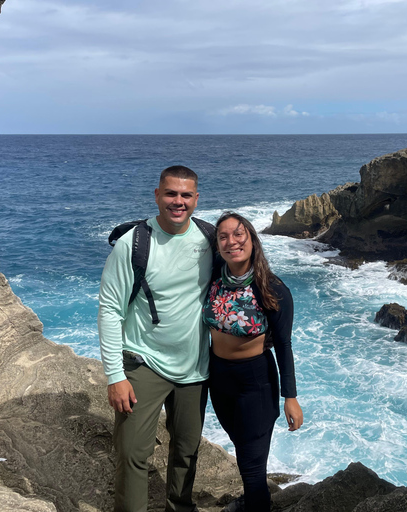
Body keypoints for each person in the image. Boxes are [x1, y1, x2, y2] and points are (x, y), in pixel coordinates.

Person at [98, 165, 214, 512]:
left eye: (186, 195)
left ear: (196, 199)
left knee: (187, 449)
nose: (178, 202)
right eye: (171, 194)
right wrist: (115, 376)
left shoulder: (210, 239)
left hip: (194, 367)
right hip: (143, 362)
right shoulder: (133, 243)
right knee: (133, 452)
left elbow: (244, 276)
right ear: (157, 196)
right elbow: (109, 311)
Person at [202, 212, 304, 512]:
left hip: (255, 382)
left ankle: (256, 504)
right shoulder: (215, 275)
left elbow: (284, 344)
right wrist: (144, 228)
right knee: (244, 452)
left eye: (239, 234)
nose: (231, 241)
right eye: (224, 237)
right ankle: (252, 499)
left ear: (252, 240)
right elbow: (193, 230)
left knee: (252, 467)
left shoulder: (272, 289)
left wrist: (291, 397)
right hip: (219, 378)